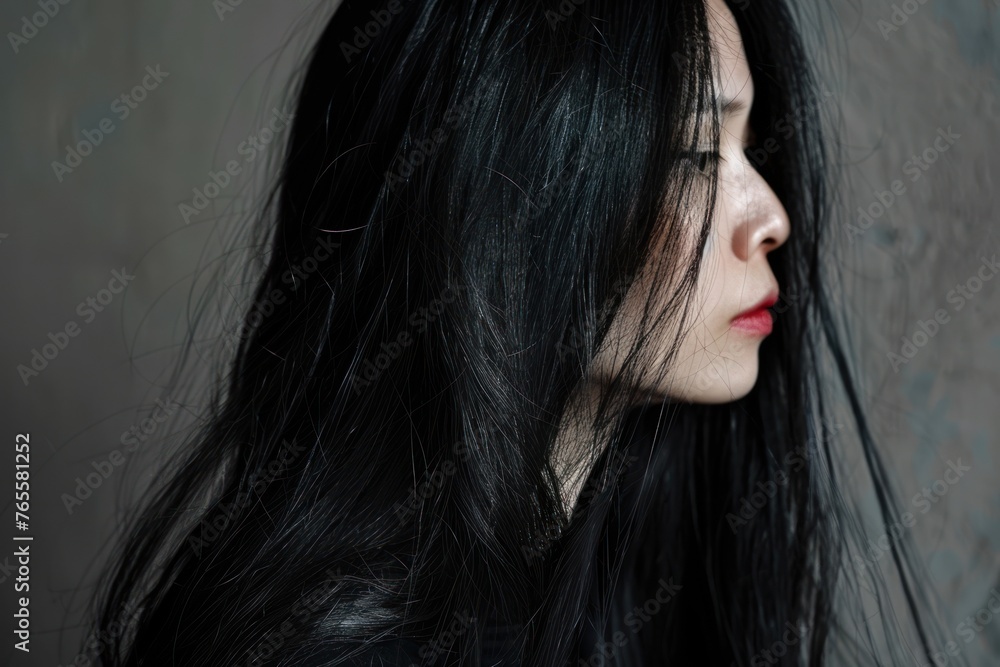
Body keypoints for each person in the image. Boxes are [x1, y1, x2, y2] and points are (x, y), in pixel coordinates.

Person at [85, 0, 957, 665]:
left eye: (752, 148)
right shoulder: (331, 644)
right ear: (501, 204)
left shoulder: (631, 585)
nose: (771, 215)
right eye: (697, 154)